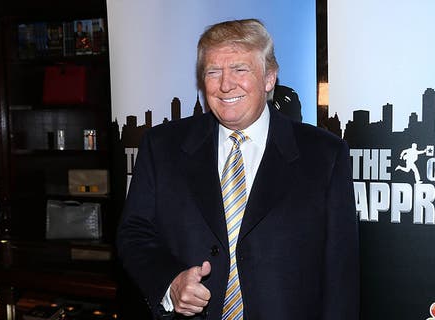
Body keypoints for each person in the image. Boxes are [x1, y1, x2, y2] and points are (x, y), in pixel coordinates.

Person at [116, 19, 359, 320]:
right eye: (213, 72)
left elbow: (340, 273)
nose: (225, 85)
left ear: (269, 77)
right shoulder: (162, 147)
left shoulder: (324, 155)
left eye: (240, 70)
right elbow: (134, 233)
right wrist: (170, 282)